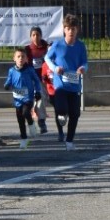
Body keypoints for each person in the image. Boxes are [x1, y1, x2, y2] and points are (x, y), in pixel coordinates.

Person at [45, 13, 88, 149]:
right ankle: (61, 115)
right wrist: (55, 68)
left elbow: (85, 62)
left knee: (75, 114)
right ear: (64, 29)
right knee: (62, 109)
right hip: (60, 85)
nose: (71, 31)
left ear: (77, 30)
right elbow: (47, 58)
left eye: (73, 29)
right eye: (68, 29)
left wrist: (83, 68)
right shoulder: (58, 44)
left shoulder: (81, 46)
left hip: (74, 86)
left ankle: (69, 141)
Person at [4, 47, 43, 148]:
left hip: (28, 98)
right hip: (17, 99)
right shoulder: (11, 71)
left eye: (23, 56)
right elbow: (9, 81)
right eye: (18, 56)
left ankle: (31, 123)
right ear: (14, 58)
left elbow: (37, 81)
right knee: (20, 120)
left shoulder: (30, 70)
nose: (20, 58)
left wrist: (38, 91)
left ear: (26, 59)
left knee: (25, 112)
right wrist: (6, 85)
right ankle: (24, 139)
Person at [25, 26, 49, 133]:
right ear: (30, 37)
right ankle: (37, 121)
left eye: (38, 35)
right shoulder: (28, 49)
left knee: (42, 98)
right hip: (32, 79)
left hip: (43, 78)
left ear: (41, 36)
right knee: (36, 99)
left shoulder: (46, 48)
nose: (36, 37)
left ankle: (42, 120)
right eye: (33, 35)